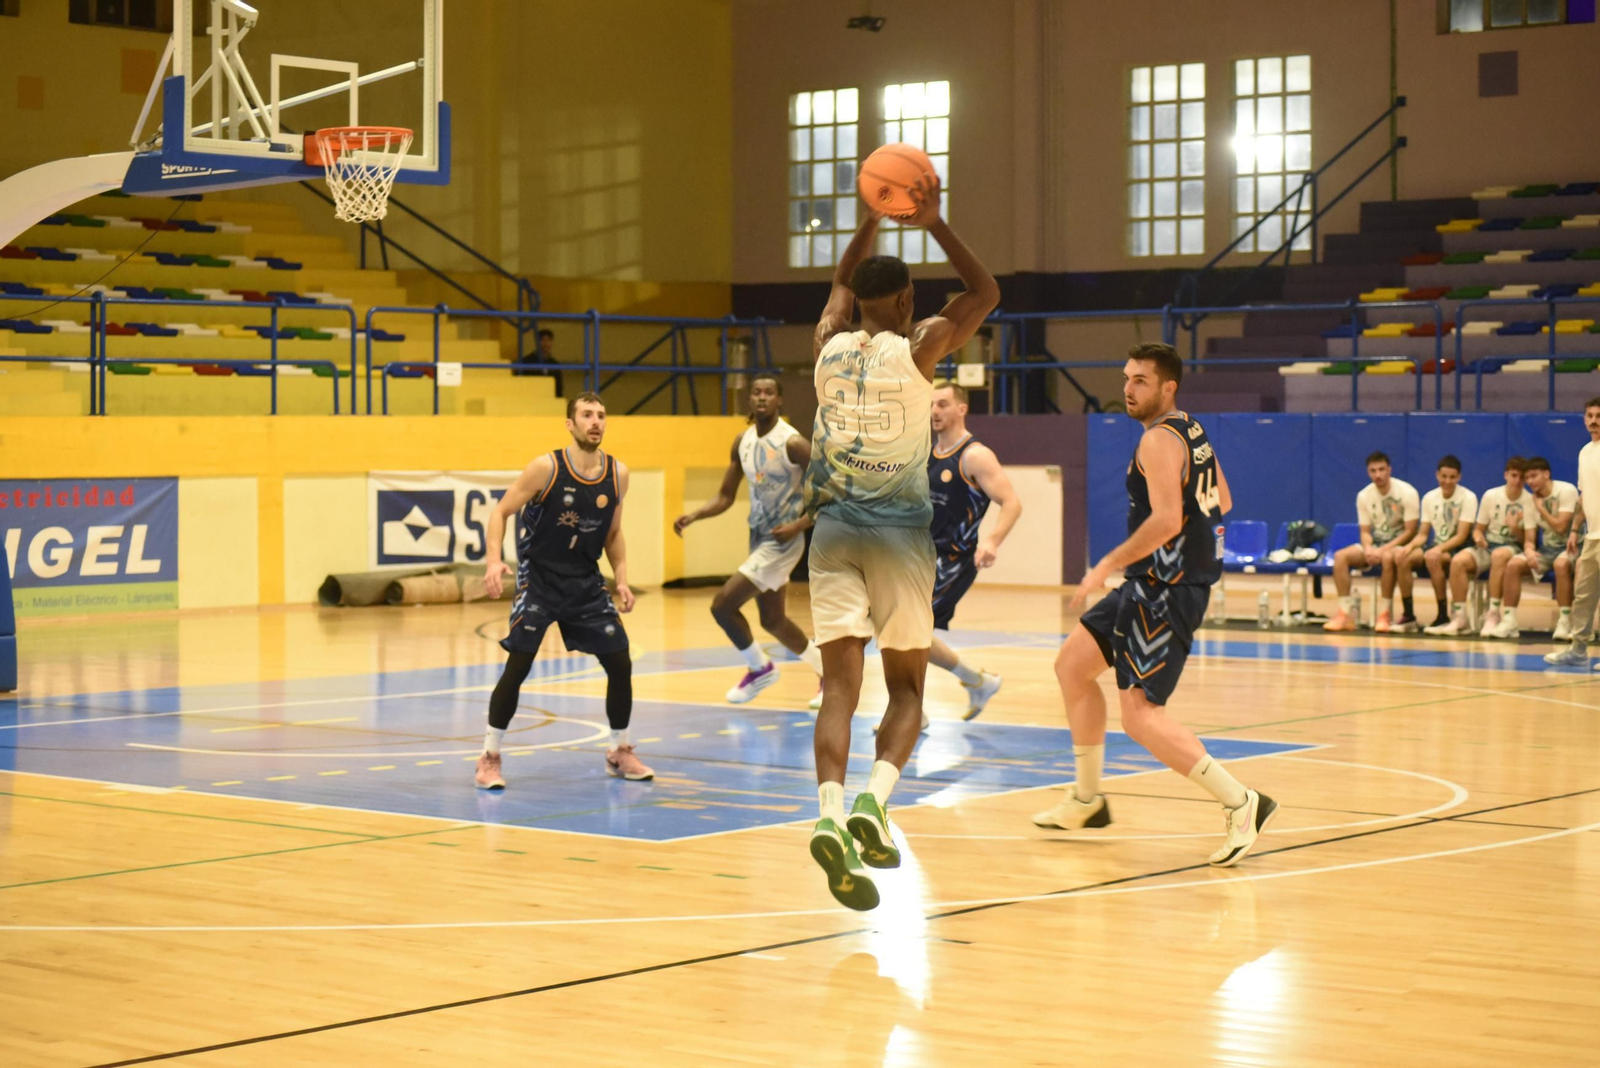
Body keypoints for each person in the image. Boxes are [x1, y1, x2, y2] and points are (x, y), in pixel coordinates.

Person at [805, 177, 999, 911]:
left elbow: (836, 285)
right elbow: (984, 292)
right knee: (909, 688)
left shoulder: (826, 346)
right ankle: (872, 803)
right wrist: (936, 222)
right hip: (898, 538)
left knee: (838, 690)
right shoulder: (919, 347)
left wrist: (867, 216)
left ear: (854, 300)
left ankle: (827, 812)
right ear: (909, 302)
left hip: (831, 537)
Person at [1034, 343, 1276, 867]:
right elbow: (1222, 502)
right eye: (1126, 378)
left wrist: (1103, 566)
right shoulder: (1190, 429)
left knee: (1140, 717)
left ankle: (1242, 803)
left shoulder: (1158, 443)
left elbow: (1167, 520)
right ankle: (1087, 799)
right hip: (1153, 582)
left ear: (1169, 387)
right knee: (1072, 666)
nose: (1128, 388)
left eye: (1141, 380)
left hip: (1167, 590)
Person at [476, 391, 649, 789]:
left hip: (585, 580)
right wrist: (492, 560)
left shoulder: (617, 474)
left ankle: (619, 751)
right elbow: (500, 512)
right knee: (518, 665)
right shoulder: (545, 468)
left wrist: (621, 577)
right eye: (587, 415)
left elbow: (614, 533)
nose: (596, 422)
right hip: (538, 578)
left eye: (601, 415)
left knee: (620, 662)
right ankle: (489, 757)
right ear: (570, 424)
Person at [673, 374, 826, 704]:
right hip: (758, 536)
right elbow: (726, 496)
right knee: (773, 620)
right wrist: (696, 515)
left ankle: (760, 668)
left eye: (769, 393)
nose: (761, 398)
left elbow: (830, 490)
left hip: (783, 541)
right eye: (756, 392)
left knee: (722, 605)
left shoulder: (793, 444)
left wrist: (799, 526)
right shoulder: (742, 442)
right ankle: (828, 672)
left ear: (779, 400)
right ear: (749, 399)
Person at [927, 380, 1017, 719]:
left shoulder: (974, 455)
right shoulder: (927, 451)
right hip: (921, 557)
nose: (935, 410)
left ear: (961, 409)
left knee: (903, 632)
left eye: (943, 404)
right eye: (932, 404)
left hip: (952, 561)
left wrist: (992, 540)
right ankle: (976, 681)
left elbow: (1011, 502)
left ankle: (908, 711)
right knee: (903, 635)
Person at [1425, 457, 1532, 636]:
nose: (1517, 481)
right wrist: (1478, 537)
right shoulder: (1491, 495)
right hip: (1487, 546)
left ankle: (1493, 614)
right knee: (1458, 561)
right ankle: (1460, 618)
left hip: (1512, 547)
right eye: (1514, 475)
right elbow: (1478, 529)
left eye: (1522, 477)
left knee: (1499, 555)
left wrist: (1515, 528)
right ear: (1506, 475)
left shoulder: (1529, 501)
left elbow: (1528, 541)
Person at [1323, 452, 1419, 632]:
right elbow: (1365, 531)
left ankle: (1384, 614)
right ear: (1368, 473)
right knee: (1340, 557)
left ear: (1389, 470)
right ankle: (1344, 613)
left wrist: (1383, 550)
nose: (1378, 475)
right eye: (1373, 471)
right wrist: (1368, 548)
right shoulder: (1364, 496)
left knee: (1388, 558)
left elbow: (1410, 531)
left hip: (1398, 545)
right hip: (1376, 544)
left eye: (1382, 469)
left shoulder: (1407, 492)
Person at [1492, 456, 1578, 639]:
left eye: (1533, 476)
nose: (1529, 481)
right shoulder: (1532, 500)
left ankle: (1565, 621)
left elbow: (1561, 527)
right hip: (1547, 550)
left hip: (1571, 547)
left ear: (1546, 474)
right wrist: (1529, 550)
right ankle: (1509, 621)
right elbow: (1530, 538)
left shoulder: (1566, 490)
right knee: (1514, 564)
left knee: (1561, 565)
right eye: (1527, 478)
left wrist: (1541, 509)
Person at [1394, 456, 1478, 632]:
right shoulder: (1429, 498)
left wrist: (1438, 549)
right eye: (1444, 476)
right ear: (1437, 475)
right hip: (1436, 545)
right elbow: (1423, 534)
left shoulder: (1468, 497)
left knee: (1433, 558)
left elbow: (1462, 536)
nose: (1447, 481)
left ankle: (1442, 615)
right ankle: (1409, 615)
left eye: (1452, 477)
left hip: (1458, 547)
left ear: (1459, 477)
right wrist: (1407, 548)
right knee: (1403, 558)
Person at [1545, 398, 1600, 665]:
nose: (1594, 420)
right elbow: (1583, 495)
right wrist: (1575, 530)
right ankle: (1578, 650)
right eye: (1589, 415)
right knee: (1584, 595)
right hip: (1592, 536)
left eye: (1598, 415)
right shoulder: (1584, 452)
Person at [514, 328, 564, 397]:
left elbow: (558, 388)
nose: (546, 343)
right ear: (537, 342)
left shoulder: (555, 364)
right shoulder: (526, 361)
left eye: (548, 340)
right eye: (543, 340)